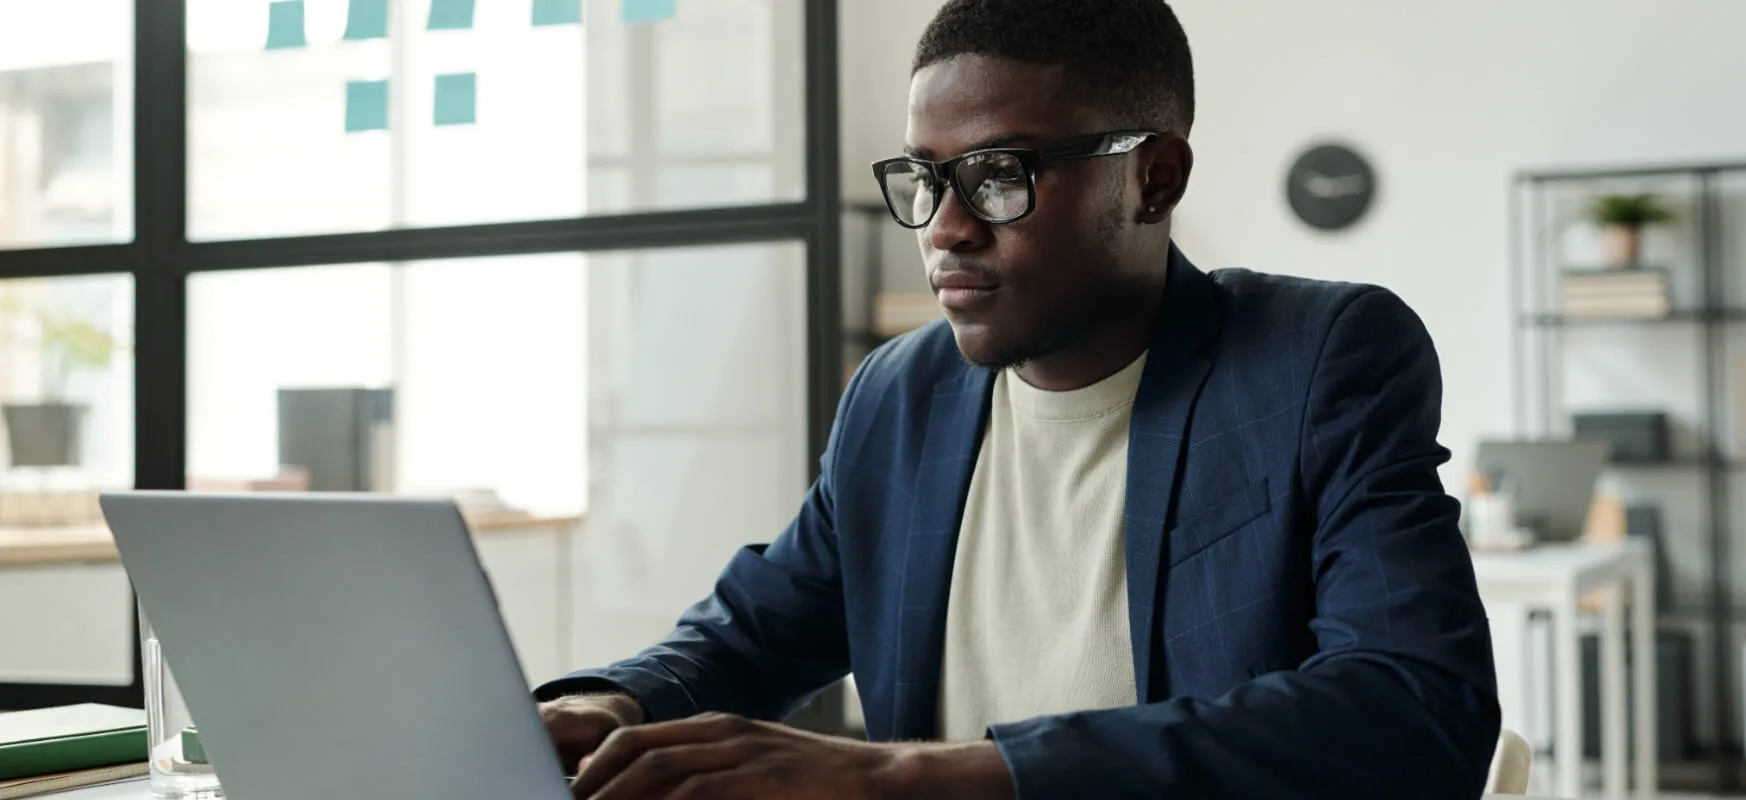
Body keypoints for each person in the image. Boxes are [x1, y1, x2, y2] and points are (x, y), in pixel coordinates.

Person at [537, 0, 1501, 797]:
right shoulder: (897, 397)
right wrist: (616, 703)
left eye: (999, 175)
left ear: (1153, 178)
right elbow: (753, 631)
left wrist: (905, 779)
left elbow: (1415, 707)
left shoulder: (1314, 361)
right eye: (925, 177)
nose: (945, 229)